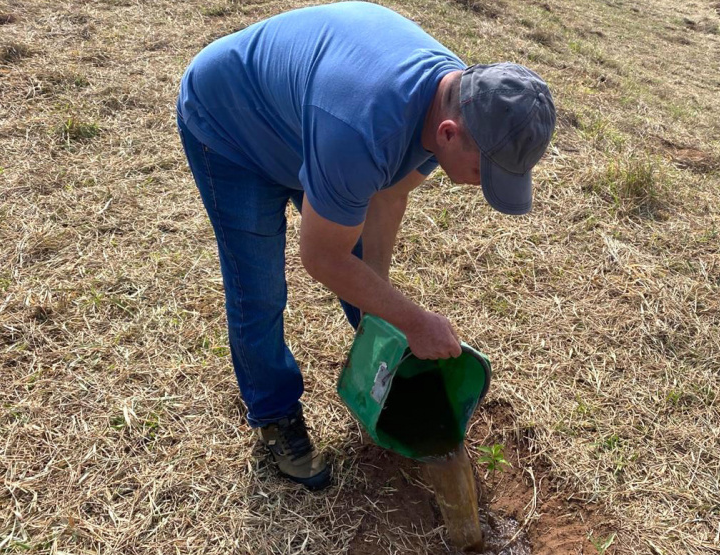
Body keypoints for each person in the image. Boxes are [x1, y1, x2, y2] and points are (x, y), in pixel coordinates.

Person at [176, 1, 556, 490]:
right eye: (484, 173)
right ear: (448, 134)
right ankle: (275, 416)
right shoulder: (364, 127)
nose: (480, 187)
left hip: (308, 130)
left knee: (365, 279)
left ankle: (389, 376)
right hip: (230, 127)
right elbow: (320, 257)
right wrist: (415, 320)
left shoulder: (460, 100)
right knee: (260, 287)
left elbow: (389, 193)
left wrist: (381, 309)